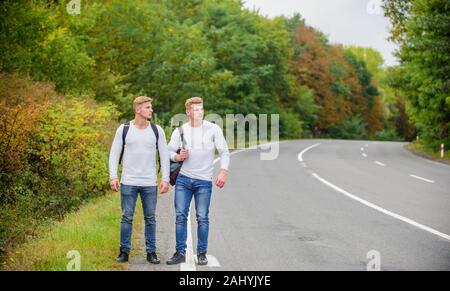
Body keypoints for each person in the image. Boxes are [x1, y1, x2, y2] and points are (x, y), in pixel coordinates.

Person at [166, 97, 230, 265]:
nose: (199, 112)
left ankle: (201, 253)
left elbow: (224, 151)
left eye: (201, 109)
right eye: (195, 109)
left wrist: (223, 171)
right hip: (183, 180)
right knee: (180, 216)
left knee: (202, 217)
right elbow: (168, 152)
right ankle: (179, 252)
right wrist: (177, 156)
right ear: (188, 112)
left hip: (204, 181)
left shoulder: (213, 129)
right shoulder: (180, 131)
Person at [109, 96, 170, 264]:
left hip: (149, 183)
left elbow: (164, 156)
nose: (151, 110)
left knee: (150, 218)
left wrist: (165, 179)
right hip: (128, 182)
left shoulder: (157, 130)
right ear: (138, 110)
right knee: (126, 217)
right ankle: (124, 251)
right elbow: (114, 154)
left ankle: (151, 252)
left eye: (151, 107)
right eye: (148, 107)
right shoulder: (124, 129)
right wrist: (113, 176)